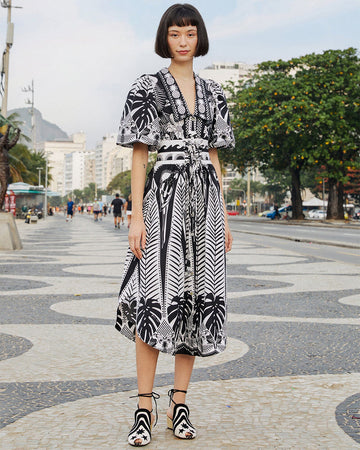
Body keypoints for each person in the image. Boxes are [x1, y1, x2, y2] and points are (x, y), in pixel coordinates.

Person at [115, 4, 234, 447]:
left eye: (190, 33)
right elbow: (140, 154)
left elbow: (216, 155)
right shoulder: (146, 87)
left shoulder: (215, 92)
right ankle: (143, 406)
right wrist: (136, 215)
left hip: (204, 200)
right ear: (164, 39)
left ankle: (179, 403)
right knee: (154, 296)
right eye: (175, 34)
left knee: (198, 299)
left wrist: (221, 213)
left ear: (199, 37)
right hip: (163, 199)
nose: (183, 41)